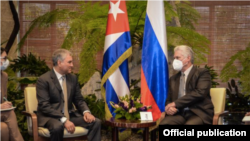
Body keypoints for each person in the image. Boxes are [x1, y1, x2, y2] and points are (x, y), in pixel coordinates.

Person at [36, 49, 101, 141]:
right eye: (69, 62)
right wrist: (64, 120)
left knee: (95, 122)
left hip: (69, 115)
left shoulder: (73, 78)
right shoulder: (44, 80)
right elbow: (44, 106)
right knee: (57, 127)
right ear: (59, 63)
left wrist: (86, 112)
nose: (72, 65)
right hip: (51, 117)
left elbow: (78, 99)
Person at [160, 45, 214, 125]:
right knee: (165, 124)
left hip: (198, 113)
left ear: (188, 58)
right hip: (179, 113)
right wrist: (170, 107)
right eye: (174, 58)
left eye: (177, 58)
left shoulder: (202, 73)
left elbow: (199, 93)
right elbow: (169, 99)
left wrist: (175, 104)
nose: (175, 60)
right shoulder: (173, 78)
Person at [0, 47, 24, 141]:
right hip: (3, 113)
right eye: (4, 58)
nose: (7, 61)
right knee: (9, 113)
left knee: (4, 128)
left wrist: (6, 104)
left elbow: (3, 98)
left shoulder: (3, 76)